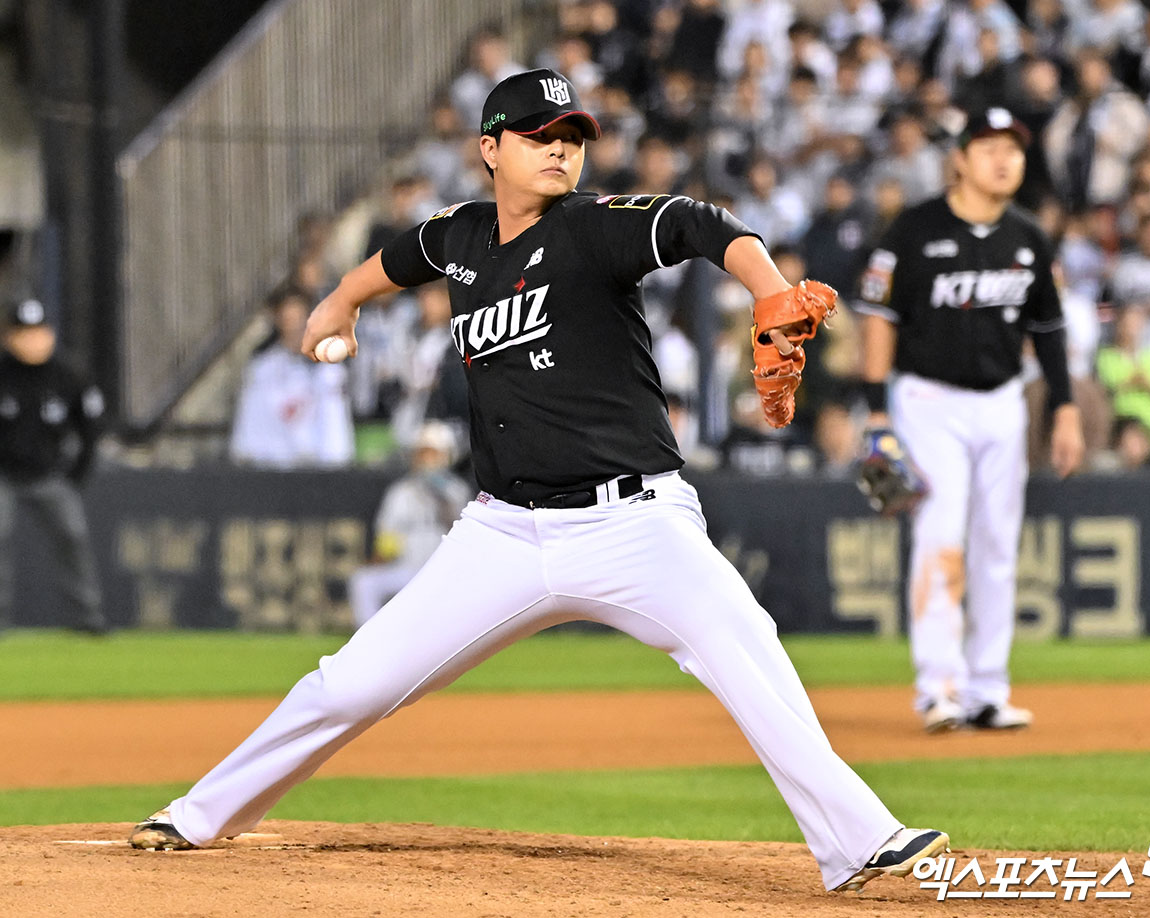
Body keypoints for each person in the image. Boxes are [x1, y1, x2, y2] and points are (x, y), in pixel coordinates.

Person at [130, 68, 948, 894]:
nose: (560, 149)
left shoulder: (593, 228)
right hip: (502, 534)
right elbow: (395, 260)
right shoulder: (460, 236)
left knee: (746, 649)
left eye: (572, 138)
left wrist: (769, 288)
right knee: (351, 682)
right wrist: (337, 303)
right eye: (538, 135)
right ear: (489, 149)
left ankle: (860, 840)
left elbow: (702, 224)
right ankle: (200, 813)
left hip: (634, 523)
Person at [855, 107, 1085, 734]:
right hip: (929, 402)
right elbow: (877, 320)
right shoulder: (914, 229)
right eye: (988, 147)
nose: (1004, 158)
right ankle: (939, 687)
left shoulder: (1028, 236)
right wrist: (877, 411)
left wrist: (1063, 407)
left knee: (997, 548)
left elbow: (1049, 329)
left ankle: (988, 688)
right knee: (941, 539)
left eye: (1012, 147)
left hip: (1004, 403)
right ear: (959, 158)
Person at [0, 298, 108, 635]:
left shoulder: (69, 374)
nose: (33, 340)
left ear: (50, 335)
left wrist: (75, 475)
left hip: (50, 475)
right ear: (9, 338)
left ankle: (89, 619)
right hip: (3, 475)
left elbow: (91, 430)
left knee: (73, 536)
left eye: (39, 332)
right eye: (24, 334)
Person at [347, 421, 472, 628]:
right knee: (364, 581)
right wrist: (379, 560)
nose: (426, 459)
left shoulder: (455, 491)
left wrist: (441, 495)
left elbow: (463, 534)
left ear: (446, 456)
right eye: (422, 453)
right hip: (408, 569)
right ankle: (371, 639)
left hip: (442, 571)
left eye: (432, 453)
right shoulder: (400, 492)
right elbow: (388, 539)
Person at [229, 284, 355, 469]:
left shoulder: (328, 369)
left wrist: (333, 466)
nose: (295, 328)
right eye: (288, 321)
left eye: (299, 320)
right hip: (273, 470)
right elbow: (250, 429)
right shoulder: (262, 367)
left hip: (317, 472)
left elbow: (335, 430)